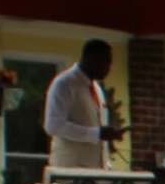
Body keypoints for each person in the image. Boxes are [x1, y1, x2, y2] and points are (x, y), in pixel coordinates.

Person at [44, 39, 117, 170]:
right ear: (91, 58)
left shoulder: (96, 88)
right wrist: (96, 134)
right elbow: (53, 126)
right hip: (69, 171)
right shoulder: (64, 83)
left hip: (96, 171)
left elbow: (96, 127)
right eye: (106, 61)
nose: (109, 67)